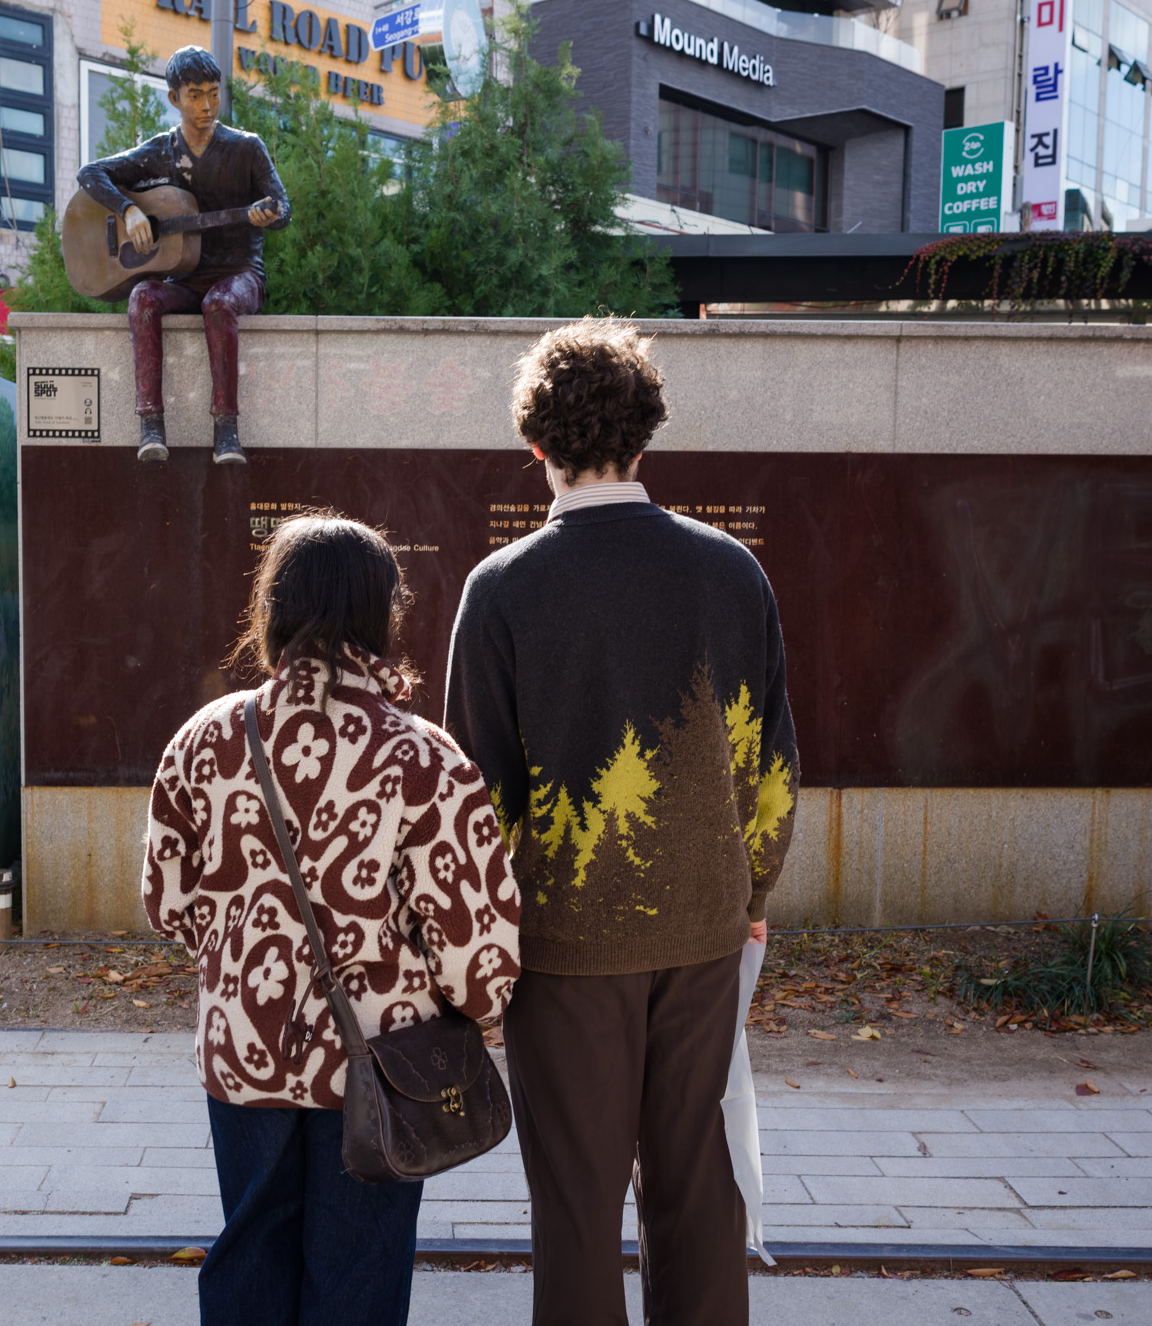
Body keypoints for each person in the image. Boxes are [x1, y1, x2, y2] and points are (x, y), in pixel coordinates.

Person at [443, 318, 799, 1326]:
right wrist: (750, 895)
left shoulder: (500, 590)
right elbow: (769, 765)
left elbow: (475, 803)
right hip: (704, 933)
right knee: (699, 1190)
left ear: (535, 445)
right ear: (645, 437)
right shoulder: (730, 571)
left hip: (560, 950)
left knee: (575, 1207)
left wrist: (475, 952)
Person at [144, 513, 522, 1326]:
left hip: (243, 1054)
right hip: (383, 1066)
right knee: (359, 1274)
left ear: (271, 611)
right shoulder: (425, 757)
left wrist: (243, 955)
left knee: (248, 1250)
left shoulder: (203, 741)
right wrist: (459, 1005)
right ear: (381, 614)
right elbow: (480, 954)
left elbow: (167, 904)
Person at [75, 45, 289, 466]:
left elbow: (282, 208)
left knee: (220, 303)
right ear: (174, 98)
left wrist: (269, 216)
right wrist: (129, 210)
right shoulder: (163, 151)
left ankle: (226, 429)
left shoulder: (247, 148)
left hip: (240, 274)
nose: (207, 106)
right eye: (195, 95)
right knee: (143, 297)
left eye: (214, 93)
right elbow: (90, 173)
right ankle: (151, 425)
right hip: (184, 275)